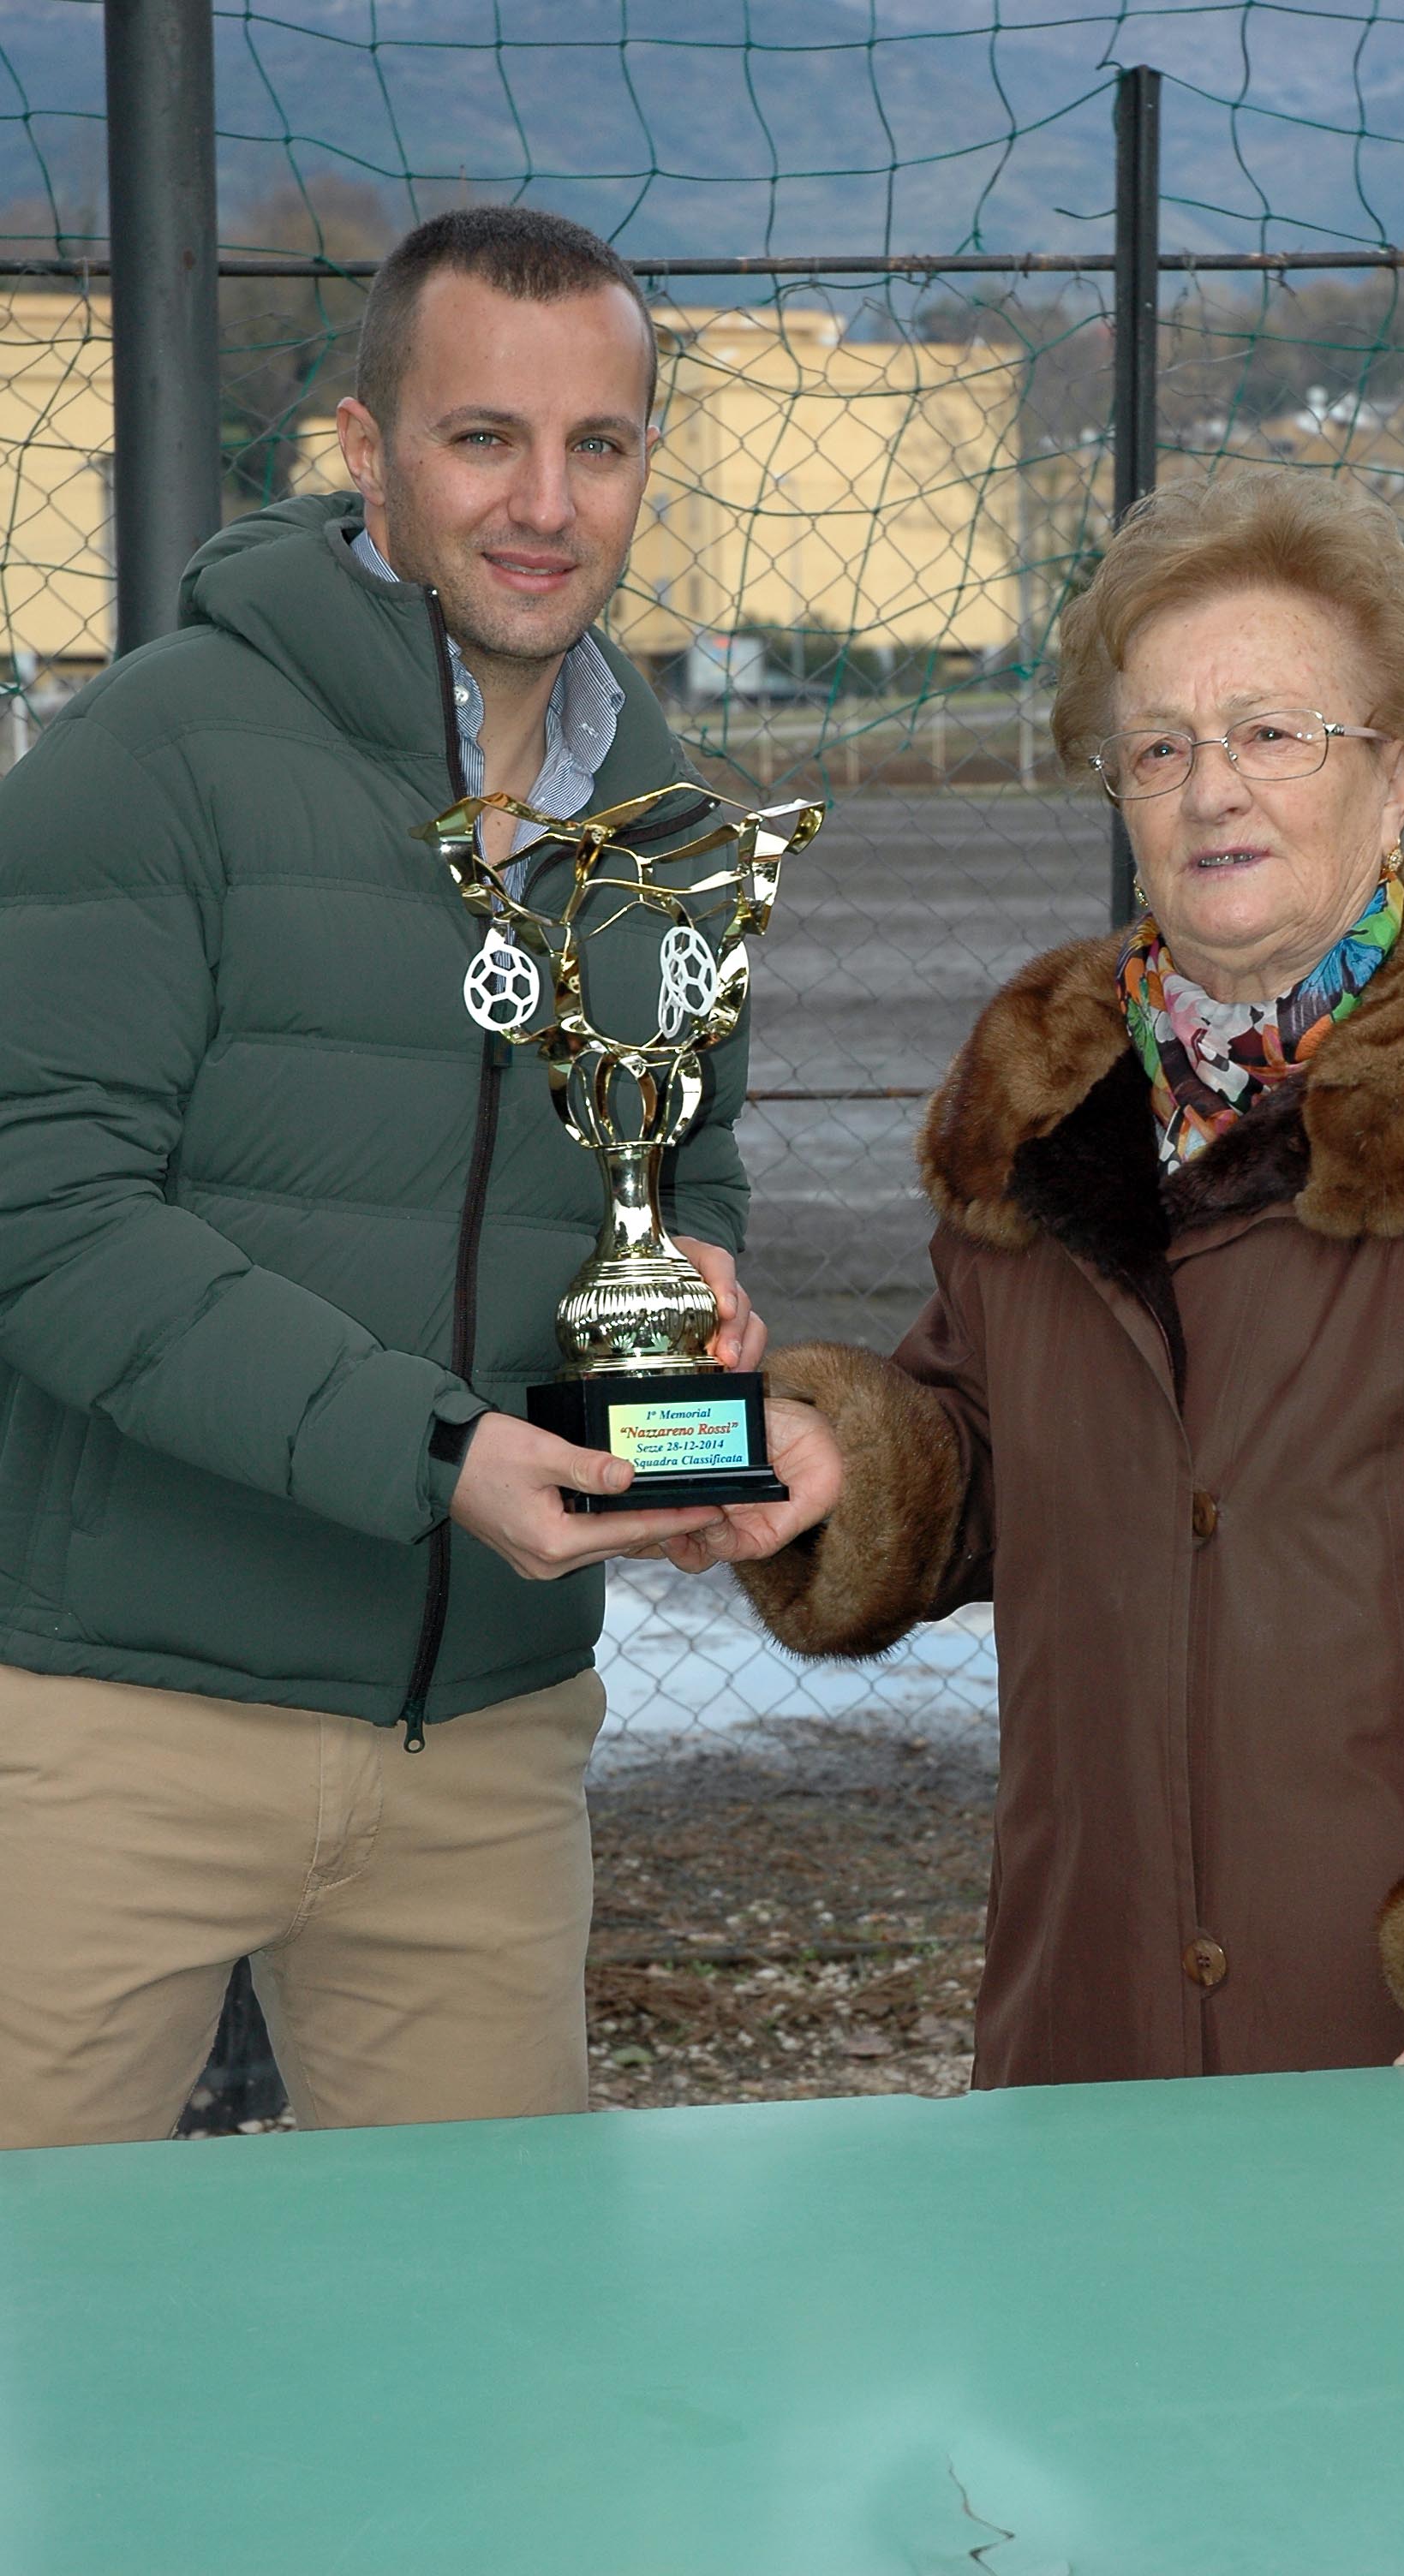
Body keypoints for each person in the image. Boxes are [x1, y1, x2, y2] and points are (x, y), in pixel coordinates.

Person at [693, 468, 1404, 2086]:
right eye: (1159, 747)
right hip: (1090, 2026)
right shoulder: (1045, 1124)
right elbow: (987, 1449)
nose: (1211, 790)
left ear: (1396, 777)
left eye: (1273, 732)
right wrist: (851, 1459)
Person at [0, 208, 764, 2149]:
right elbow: (44, 1211)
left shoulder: (670, 817)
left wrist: (700, 1308)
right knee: (45, 2356)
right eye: (480, 437)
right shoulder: (159, 751)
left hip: (486, 1745)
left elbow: (690, 1159)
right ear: (369, 448)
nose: (544, 500)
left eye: (598, 443)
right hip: (117, 1722)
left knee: (485, 2359)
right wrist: (435, 1455)